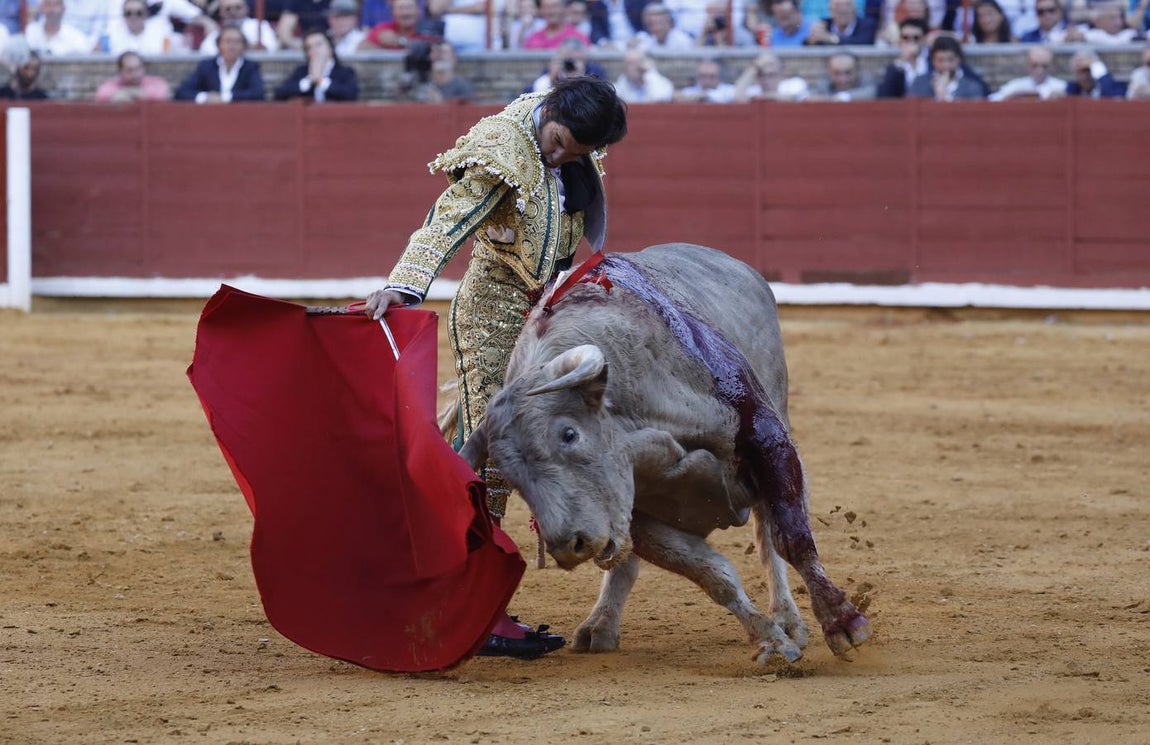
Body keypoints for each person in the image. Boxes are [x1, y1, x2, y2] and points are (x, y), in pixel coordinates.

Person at [363, 78, 626, 659]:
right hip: (489, 311)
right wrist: (404, 285)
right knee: (498, 453)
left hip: (546, 310)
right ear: (550, 112)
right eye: (557, 143)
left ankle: (449, 581)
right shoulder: (504, 147)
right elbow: (449, 217)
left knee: (508, 441)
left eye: (575, 155)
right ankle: (476, 607)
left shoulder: (581, 132)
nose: (559, 157)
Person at [174, 25, 266, 102]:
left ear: (244, 46)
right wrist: (206, 97)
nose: (232, 46)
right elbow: (182, 91)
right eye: (228, 41)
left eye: (237, 42)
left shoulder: (251, 67)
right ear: (219, 45)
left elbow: (258, 94)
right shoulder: (206, 66)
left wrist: (226, 97)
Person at [274, 27, 359, 101]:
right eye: (309, 47)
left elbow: (350, 95)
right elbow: (280, 93)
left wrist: (322, 81)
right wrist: (308, 82)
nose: (314, 50)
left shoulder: (345, 72)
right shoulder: (301, 72)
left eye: (319, 44)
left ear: (330, 47)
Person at [907, 34, 986, 99]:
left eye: (950, 60)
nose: (946, 65)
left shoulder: (972, 86)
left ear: (958, 59)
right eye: (940, 60)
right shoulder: (920, 83)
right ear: (933, 60)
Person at [525, 36, 607, 92]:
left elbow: (602, 95)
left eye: (577, 59)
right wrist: (550, 79)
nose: (571, 63)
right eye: (568, 59)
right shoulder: (552, 70)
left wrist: (581, 78)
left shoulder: (595, 71)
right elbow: (530, 94)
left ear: (584, 59)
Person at [200, 0, 280, 54]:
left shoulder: (259, 25)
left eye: (238, 8)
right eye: (228, 9)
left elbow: (272, 50)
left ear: (246, 9)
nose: (233, 12)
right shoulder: (216, 34)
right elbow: (205, 53)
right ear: (221, 13)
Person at [989, 44, 1066, 99]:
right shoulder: (1016, 86)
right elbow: (992, 100)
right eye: (1034, 65)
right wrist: (1011, 97)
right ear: (1028, 66)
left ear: (1051, 67)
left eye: (1044, 66)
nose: (1039, 70)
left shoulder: (1062, 87)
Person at [876, 16, 928, 97]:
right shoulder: (894, 67)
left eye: (916, 38)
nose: (911, 42)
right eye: (905, 37)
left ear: (924, 39)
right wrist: (902, 61)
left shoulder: (932, 63)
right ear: (900, 40)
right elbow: (885, 95)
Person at [359, 0, 443, 49]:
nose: (405, 13)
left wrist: (400, 41)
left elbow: (433, 49)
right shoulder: (383, 29)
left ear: (419, 11)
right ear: (393, 13)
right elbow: (363, 47)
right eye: (401, 8)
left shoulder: (430, 30)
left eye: (409, 8)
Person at [733, 50, 811, 101]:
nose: (766, 80)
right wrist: (755, 67)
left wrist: (766, 97)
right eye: (761, 75)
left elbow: (797, 98)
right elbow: (737, 96)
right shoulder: (754, 90)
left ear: (781, 75)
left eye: (771, 75)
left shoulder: (794, 84)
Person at [25, 0, 95, 55]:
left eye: (56, 5)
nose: (52, 10)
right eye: (48, 5)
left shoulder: (75, 37)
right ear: (41, 8)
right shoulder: (31, 31)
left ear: (63, 8)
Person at [95, 49, 172, 100]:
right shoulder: (113, 83)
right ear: (121, 71)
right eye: (130, 70)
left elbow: (162, 93)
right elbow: (102, 94)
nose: (135, 74)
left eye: (138, 69)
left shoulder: (155, 82)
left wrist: (128, 93)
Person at [106, 0, 175, 56]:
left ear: (146, 15)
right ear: (123, 16)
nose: (133, 17)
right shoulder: (111, 36)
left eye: (139, 13)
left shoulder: (161, 36)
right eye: (128, 13)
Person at [522, 0, 591, 48]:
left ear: (563, 8)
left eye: (555, 6)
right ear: (541, 10)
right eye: (546, 7)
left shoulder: (578, 38)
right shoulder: (534, 39)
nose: (551, 11)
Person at [809, 51, 877, 99]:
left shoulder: (868, 82)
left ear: (857, 71)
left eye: (848, 73)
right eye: (837, 73)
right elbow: (811, 97)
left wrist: (843, 97)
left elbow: (872, 92)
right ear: (829, 72)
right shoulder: (823, 84)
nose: (842, 79)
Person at [807, 0, 879, 44]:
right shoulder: (824, 24)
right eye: (837, 6)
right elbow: (807, 44)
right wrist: (813, 39)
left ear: (854, 9)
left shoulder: (867, 25)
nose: (843, 8)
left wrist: (831, 39)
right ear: (831, 10)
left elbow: (862, 43)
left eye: (847, 4)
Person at [630, 2, 694, 50]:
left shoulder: (681, 40)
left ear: (669, 23)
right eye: (651, 24)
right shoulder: (648, 40)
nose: (656, 28)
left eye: (660, 23)